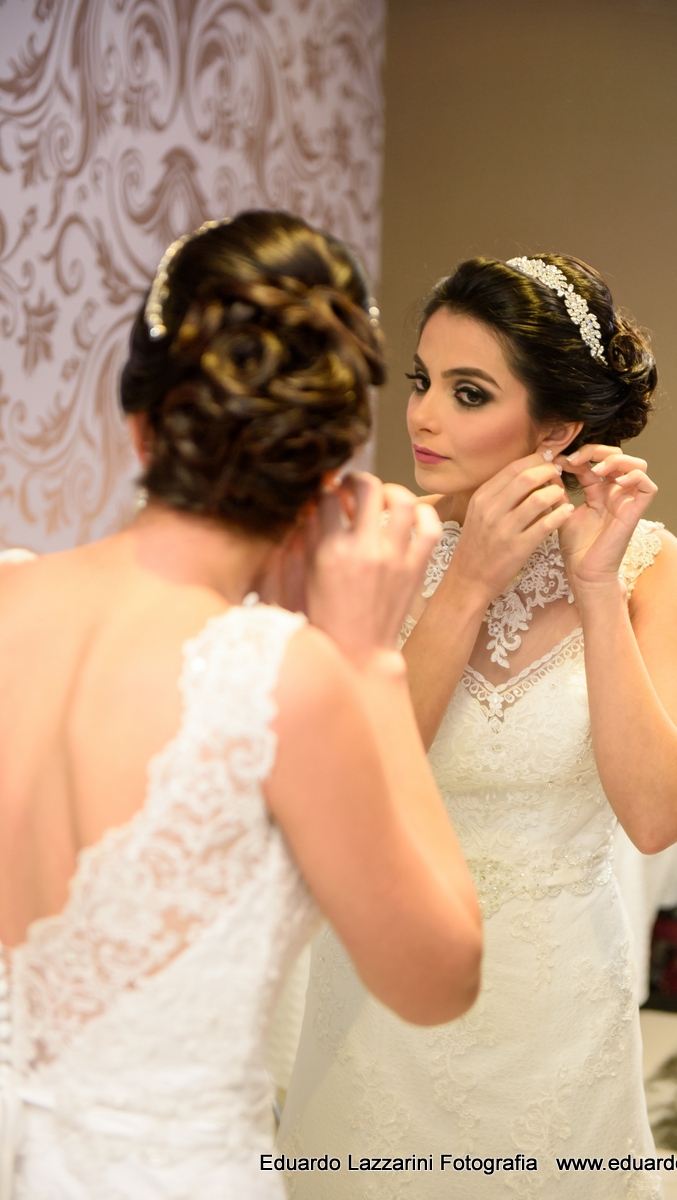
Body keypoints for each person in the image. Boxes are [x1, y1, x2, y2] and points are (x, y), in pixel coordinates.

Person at [0, 211, 483, 1200]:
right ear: (326, 464)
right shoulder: (282, 678)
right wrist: (367, 666)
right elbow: (439, 979)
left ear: (140, 422)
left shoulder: (10, 594)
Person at [278, 254, 677, 1198]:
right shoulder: (370, 540)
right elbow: (353, 787)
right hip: (383, 987)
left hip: (557, 1000)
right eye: (422, 382)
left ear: (556, 429)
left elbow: (653, 819)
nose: (423, 415)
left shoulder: (644, 565)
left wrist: (594, 588)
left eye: (467, 392)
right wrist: (464, 584)